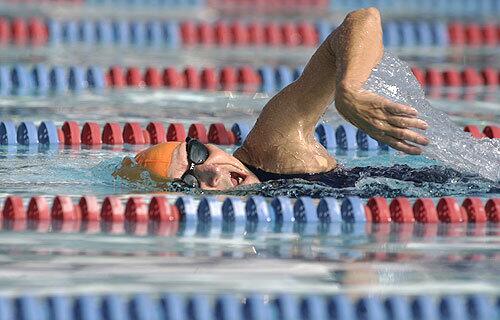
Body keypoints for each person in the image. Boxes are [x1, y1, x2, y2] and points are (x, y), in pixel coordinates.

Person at [113, 7, 429, 190]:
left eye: (197, 155)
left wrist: (348, 91)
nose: (211, 173)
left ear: (211, 145)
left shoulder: (273, 149)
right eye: (189, 183)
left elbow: (364, 20)